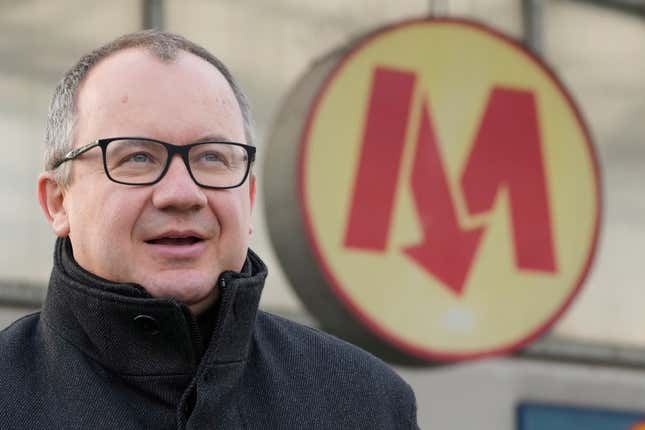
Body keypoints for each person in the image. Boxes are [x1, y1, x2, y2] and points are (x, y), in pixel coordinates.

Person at [0, 30, 418, 429]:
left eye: (213, 158)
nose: (183, 193)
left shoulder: (365, 403)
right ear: (58, 201)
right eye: (138, 157)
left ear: (249, 197)